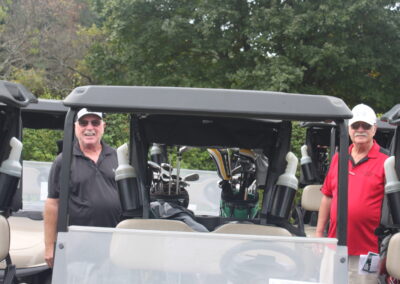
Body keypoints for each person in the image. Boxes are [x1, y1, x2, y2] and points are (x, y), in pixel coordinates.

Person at [316, 104, 389, 284]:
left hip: (368, 250)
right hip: (334, 245)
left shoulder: (387, 161)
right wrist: (319, 234)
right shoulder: (338, 158)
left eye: (366, 126)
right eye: (356, 126)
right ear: (349, 129)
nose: (360, 130)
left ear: (374, 129)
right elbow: (327, 196)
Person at [44, 108, 122, 267]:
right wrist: (49, 246)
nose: (89, 127)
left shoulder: (119, 157)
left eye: (95, 122)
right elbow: (53, 203)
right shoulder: (63, 160)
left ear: (103, 126)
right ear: (75, 127)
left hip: (115, 244)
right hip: (78, 247)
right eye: (83, 122)